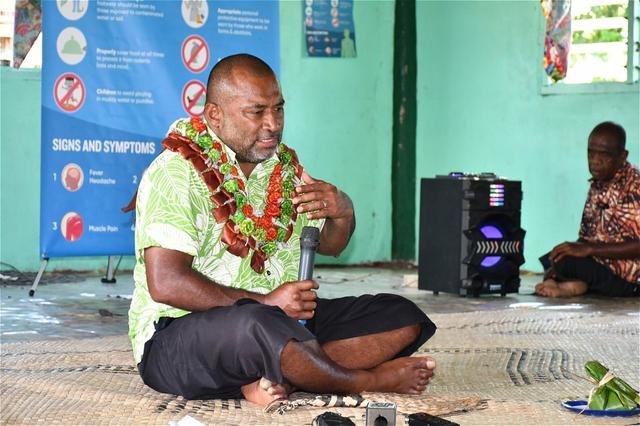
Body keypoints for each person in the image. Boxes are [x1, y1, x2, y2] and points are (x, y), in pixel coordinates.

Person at [128, 54, 437, 406]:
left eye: (278, 109)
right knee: (256, 325)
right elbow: (166, 282)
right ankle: (361, 379)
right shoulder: (175, 172)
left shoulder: (283, 170)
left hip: (282, 320)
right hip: (179, 333)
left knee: (401, 315)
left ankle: (282, 378)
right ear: (214, 114)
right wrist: (264, 302)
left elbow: (333, 245)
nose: (273, 124)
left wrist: (343, 213)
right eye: (256, 112)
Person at [535, 121, 640, 298]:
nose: (595, 161)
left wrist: (589, 250)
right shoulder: (598, 184)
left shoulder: (635, 187)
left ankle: (569, 283)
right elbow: (586, 238)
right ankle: (573, 283)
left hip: (630, 279)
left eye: (604, 155)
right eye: (591, 153)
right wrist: (573, 249)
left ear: (622, 156)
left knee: (568, 263)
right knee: (556, 255)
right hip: (602, 263)